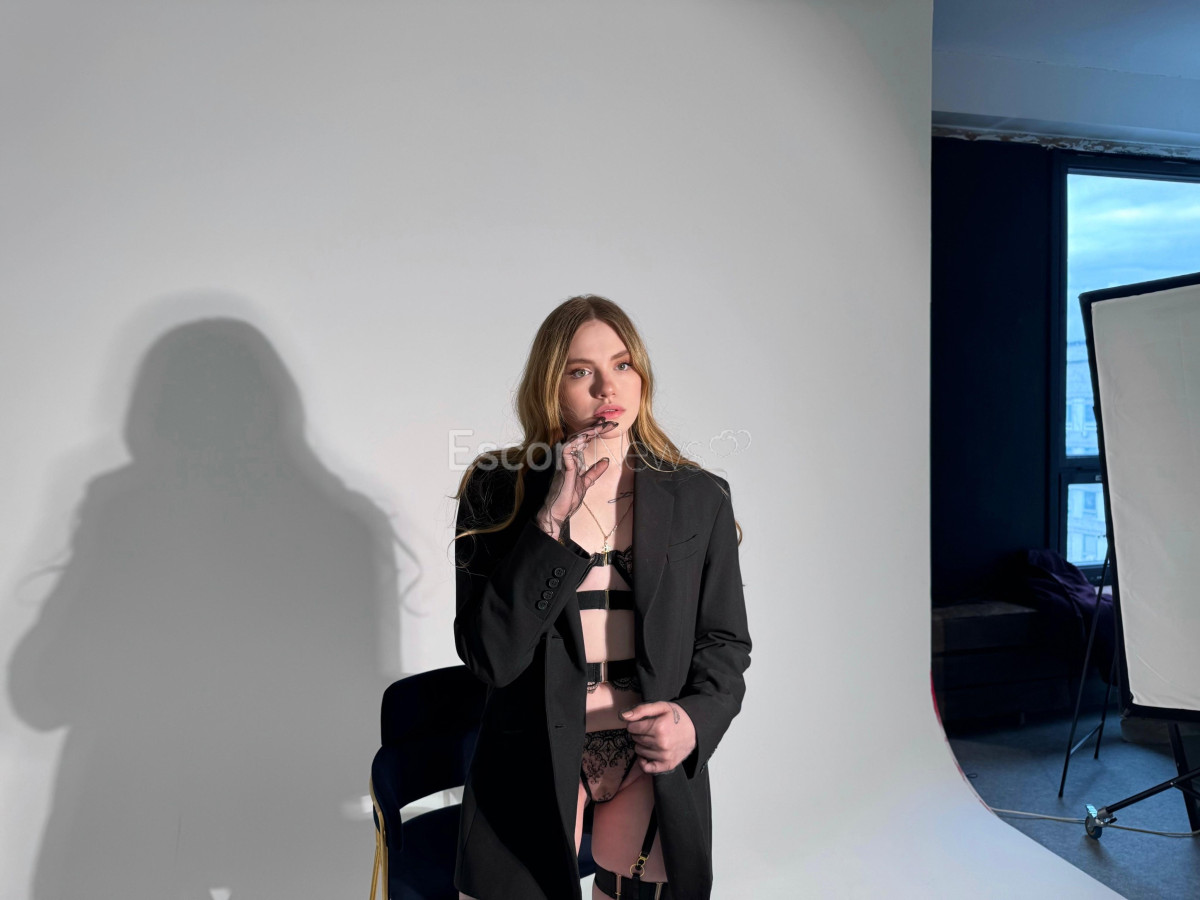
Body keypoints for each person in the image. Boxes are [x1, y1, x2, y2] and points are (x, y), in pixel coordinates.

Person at [452, 295, 751, 900]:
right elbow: (490, 658)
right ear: (550, 385)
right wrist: (550, 523)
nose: (606, 387)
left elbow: (724, 642)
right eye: (580, 370)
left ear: (642, 376)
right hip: (533, 756)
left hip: (649, 763)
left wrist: (692, 722)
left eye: (622, 365)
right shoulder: (497, 488)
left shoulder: (701, 496)